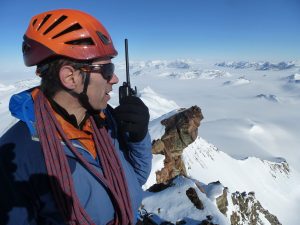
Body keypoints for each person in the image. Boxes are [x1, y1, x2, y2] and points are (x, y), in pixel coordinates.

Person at [0, 9, 152, 225]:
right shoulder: (18, 159)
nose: (115, 78)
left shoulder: (103, 120)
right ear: (70, 77)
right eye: (107, 69)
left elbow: (134, 182)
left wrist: (138, 139)